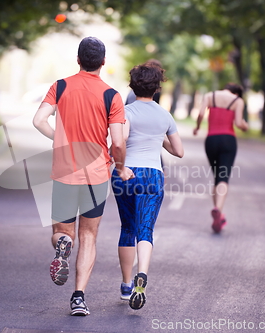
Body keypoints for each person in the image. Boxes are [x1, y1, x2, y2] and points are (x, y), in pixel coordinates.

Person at [33, 37, 133, 316]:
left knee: (61, 232)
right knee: (88, 235)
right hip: (96, 175)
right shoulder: (111, 96)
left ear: (78, 60)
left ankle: (63, 244)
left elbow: (38, 120)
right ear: (103, 62)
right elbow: (117, 142)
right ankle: (78, 297)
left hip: (64, 172)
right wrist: (121, 166)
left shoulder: (60, 86)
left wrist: (59, 140)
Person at [111, 63, 184, 310]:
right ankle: (142, 274)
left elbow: (118, 141)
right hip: (153, 175)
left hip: (127, 174)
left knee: (127, 228)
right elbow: (179, 151)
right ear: (157, 88)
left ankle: (126, 284)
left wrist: (120, 167)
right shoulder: (164, 115)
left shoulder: (126, 111)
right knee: (145, 230)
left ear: (132, 85)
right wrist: (158, 137)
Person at [193, 83, 248, 233]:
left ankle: (218, 214)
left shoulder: (210, 96)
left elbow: (200, 114)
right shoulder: (237, 101)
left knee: (217, 176)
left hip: (211, 140)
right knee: (223, 177)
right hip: (228, 140)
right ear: (237, 93)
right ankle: (218, 209)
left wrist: (197, 127)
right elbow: (238, 123)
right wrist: (245, 126)